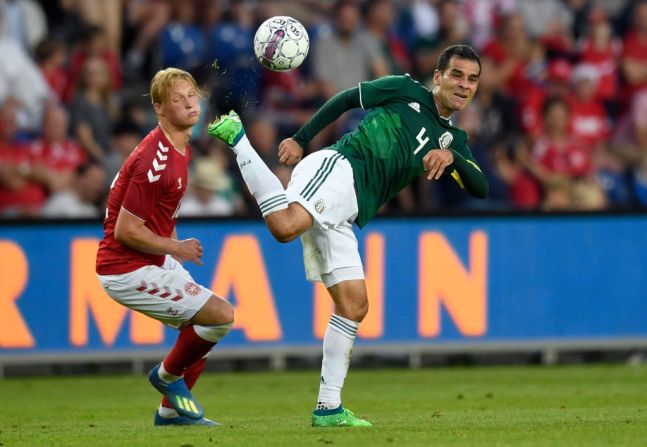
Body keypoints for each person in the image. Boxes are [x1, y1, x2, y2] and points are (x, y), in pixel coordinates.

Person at [209, 44, 488, 427]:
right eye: (456, 75)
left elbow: (480, 187)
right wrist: (301, 138)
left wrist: (454, 158)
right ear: (437, 76)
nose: (464, 85)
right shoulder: (404, 89)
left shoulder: (453, 141)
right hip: (340, 168)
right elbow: (344, 100)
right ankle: (240, 139)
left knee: (354, 305)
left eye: (472, 79)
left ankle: (328, 409)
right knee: (284, 227)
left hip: (349, 209)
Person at [95, 67, 234, 427]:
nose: (190, 103)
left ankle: (170, 413)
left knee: (203, 329)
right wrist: (176, 247)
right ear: (159, 108)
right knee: (219, 316)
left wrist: (168, 248)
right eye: (178, 99)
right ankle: (165, 378)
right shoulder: (154, 160)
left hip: (149, 258)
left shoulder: (179, 147)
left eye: (192, 96)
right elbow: (126, 230)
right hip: (125, 267)